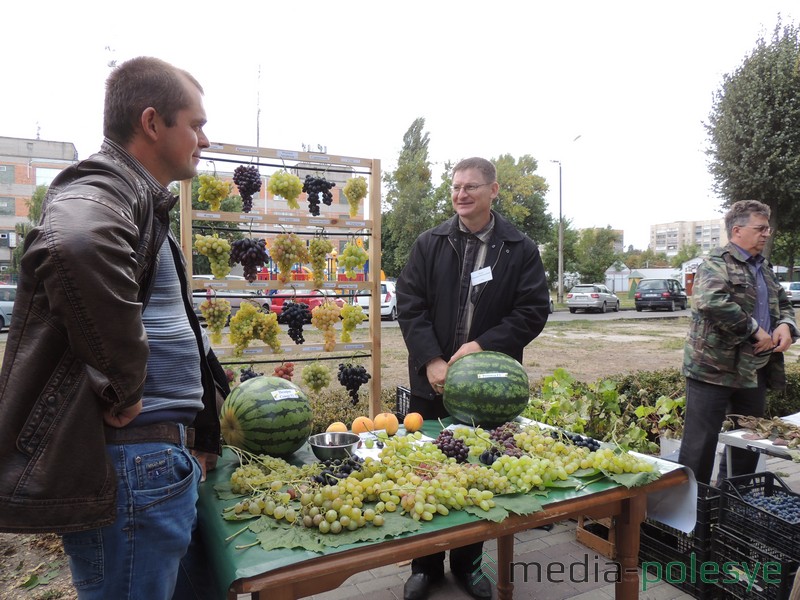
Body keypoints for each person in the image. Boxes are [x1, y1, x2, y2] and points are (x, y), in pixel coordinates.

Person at [0, 56, 223, 600]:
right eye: (195, 124)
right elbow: (74, 243)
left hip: (153, 462)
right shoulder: (102, 185)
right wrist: (125, 382)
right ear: (151, 123)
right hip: (130, 466)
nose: (206, 140)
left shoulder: (139, 201)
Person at [396, 157, 551, 600]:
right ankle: (423, 565)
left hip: (487, 388)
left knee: (477, 472)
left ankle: (467, 565)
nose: (461, 195)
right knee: (425, 470)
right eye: (456, 187)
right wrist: (430, 360)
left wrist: (482, 347)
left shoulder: (519, 248)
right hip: (433, 382)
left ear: (494, 191)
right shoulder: (430, 243)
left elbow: (532, 311)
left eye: (471, 187)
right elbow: (409, 305)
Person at [679, 199, 799, 486]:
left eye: (767, 228)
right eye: (760, 228)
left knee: (748, 440)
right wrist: (756, 330)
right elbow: (711, 302)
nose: (766, 233)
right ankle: (687, 517)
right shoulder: (715, 263)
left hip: (753, 369)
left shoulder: (765, 268)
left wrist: (786, 325)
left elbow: (784, 304)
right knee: (699, 446)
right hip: (712, 370)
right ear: (737, 231)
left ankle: (732, 505)